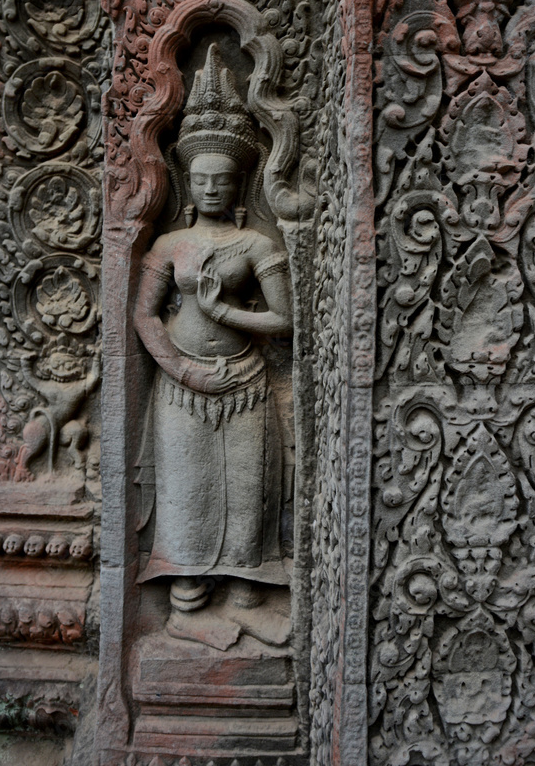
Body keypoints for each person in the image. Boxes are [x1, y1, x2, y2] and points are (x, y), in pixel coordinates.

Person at [133, 44, 292, 633]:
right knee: (189, 492)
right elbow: (145, 316)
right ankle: (187, 606)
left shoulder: (257, 246)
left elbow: (284, 321)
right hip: (183, 387)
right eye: (200, 180)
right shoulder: (168, 245)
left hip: (245, 382)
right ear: (185, 181)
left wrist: (223, 310)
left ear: (241, 182)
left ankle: (248, 598)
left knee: (249, 491)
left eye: (222, 180)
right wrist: (182, 369)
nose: (211, 189)